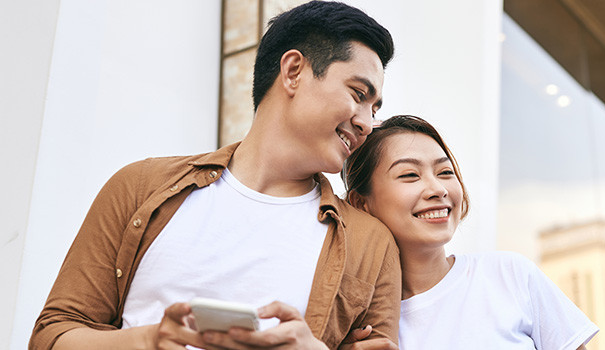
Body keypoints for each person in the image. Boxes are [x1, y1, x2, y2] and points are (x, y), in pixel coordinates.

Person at [30, 2, 401, 349]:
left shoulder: (372, 244)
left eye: (374, 107)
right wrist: (148, 340)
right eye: (357, 94)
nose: (367, 123)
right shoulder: (138, 186)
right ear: (293, 72)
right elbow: (53, 334)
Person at [343, 115, 599, 349]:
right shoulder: (359, 327)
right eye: (410, 175)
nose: (438, 189)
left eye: (445, 172)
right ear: (360, 204)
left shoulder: (510, 275)